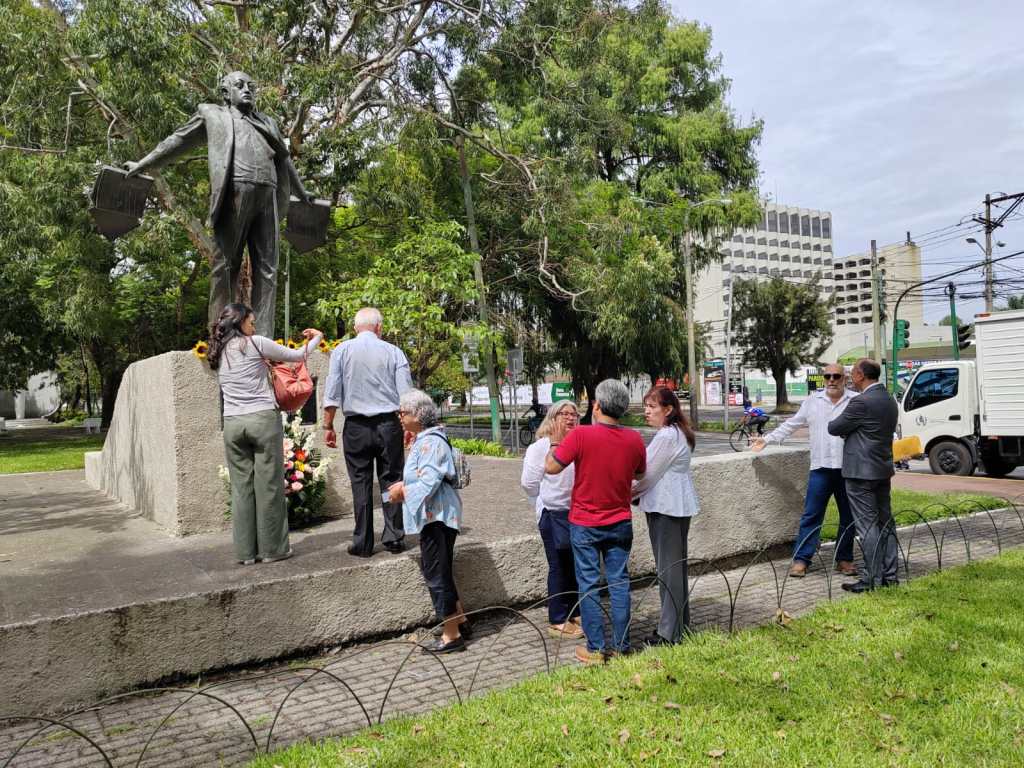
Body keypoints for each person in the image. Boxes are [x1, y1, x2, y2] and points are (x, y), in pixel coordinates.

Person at [125, 72, 313, 337]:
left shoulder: (268, 122)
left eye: (251, 85)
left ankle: (264, 338)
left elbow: (284, 159)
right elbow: (177, 140)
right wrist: (143, 164)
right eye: (240, 85)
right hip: (235, 191)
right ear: (226, 93)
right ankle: (221, 335)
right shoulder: (211, 114)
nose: (247, 89)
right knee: (226, 264)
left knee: (268, 269)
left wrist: (302, 192)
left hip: (267, 195)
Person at [206, 303, 322, 565]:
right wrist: (317, 339)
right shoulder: (256, 343)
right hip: (261, 419)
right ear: (240, 322)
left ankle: (246, 553)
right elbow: (297, 356)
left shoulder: (218, 349)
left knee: (241, 488)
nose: (254, 326)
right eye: (251, 321)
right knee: (269, 485)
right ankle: (273, 550)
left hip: (233, 424)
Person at [545, 379, 646, 664]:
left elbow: (551, 468)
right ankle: (623, 645)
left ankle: (596, 649)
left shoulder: (580, 436)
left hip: (585, 523)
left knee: (588, 585)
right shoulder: (634, 439)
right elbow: (639, 474)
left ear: (597, 405)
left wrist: (555, 441)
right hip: (620, 521)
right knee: (619, 583)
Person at [752, 363, 858, 578]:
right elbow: (792, 424)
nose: (831, 380)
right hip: (820, 468)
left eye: (836, 376)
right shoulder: (812, 402)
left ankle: (844, 559)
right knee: (811, 515)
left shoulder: (855, 401)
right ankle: (802, 559)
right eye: (827, 376)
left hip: (848, 469)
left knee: (849, 516)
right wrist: (767, 439)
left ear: (844, 378)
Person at [322, 308, 413, 557]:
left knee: (360, 482)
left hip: (356, 427)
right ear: (379, 328)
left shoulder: (341, 351)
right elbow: (406, 395)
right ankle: (394, 537)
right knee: (392, 478)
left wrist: (328, 426)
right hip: (388, 425)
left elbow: (332, 391)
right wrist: (408, 427)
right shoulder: (394, 352)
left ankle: (362, 542)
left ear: (355, 328)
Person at [387, 389, 470, 653]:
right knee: (441, 570)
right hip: (437, 515)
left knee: (436, 575)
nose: (400, 416)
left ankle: (451, 635)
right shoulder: (427, 439)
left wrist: (403, 492)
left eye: (404, 412)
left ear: (419, 415)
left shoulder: (431, 442)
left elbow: (430, 480)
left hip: (437, 517)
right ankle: (459, 621)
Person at [631, 386, 699, 645]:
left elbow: (647, 475)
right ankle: (680, 627)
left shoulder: (667, 436)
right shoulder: (679, 433)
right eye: (646, 406)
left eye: (652, 406)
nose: (646, 411)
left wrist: (626, 494)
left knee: (668, 572)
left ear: (668, 409)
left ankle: (668, 634)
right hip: (677, 506)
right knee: (676, 570)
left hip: (666, 507)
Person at [827, 358, 900, 593]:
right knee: (885, 523)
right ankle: (890, 575)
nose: (849, 376)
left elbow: (835, 427)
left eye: (852, 373)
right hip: (881, 469)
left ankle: (871, 579)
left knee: (867, 526)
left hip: (860, 473)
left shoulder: (861, 402)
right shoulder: (889, 399)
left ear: (860, 375)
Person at [520, 400, 583, 640]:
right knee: (558, 564)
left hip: (577, 511)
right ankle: (557, 618)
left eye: (574, 414)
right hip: (552, 512)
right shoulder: (539, 448)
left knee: (576, 564)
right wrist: (544, 499)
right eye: (563, 414)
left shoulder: (580, 444)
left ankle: (574, 611)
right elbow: (529, 484)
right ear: (552, 419)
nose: (570, 418)